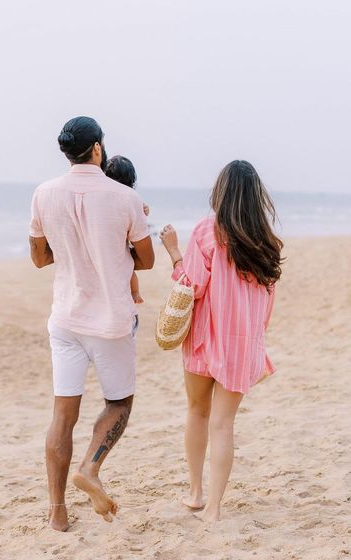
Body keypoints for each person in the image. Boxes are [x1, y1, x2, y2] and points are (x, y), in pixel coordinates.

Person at [29, 116, 154, 531]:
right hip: (111, 321)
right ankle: (90, 467)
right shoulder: (125, 198)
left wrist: (74, 249)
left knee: (62, 414)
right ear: (97, 148)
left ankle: (56, 512)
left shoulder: (43, 194)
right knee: (119, 402)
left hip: (65, 318)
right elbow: (147, 260)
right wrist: (114, 251)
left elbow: (40, 257)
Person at [159, 160, 283, 522]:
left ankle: (196, 493)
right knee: (224, 424)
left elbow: (192, 286)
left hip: (203, 340)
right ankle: (214, 509)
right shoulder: (267, 243)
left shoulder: (207, 231)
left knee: (197, 412)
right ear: (255, 197)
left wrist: (174, 252)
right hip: (242, 344)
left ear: (222, 192)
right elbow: (267, 303)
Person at [105, 155, 150, 304]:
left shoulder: (126, 198)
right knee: (129, 271)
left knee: (129, 271)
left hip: (114, 244)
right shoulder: (130, 197)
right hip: (119, 246)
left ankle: (135, 292)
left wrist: (144, 210)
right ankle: (135, 292)